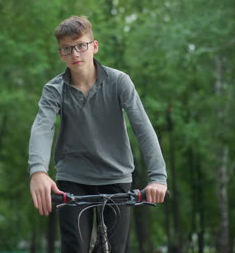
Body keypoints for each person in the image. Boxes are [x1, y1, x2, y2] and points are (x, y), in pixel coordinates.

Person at [28, 15, 167, 253]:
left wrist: (158, 179)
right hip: (72, 180)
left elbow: (143, 129)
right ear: (60, 54)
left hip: (116, 177)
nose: (75, 54)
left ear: (94, 46)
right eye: (67, 49)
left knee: (114, 249)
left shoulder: (119, 82)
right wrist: (38, 171)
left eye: (81, 45)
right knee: (75, 247)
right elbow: (42, 127)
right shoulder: (54, 90)